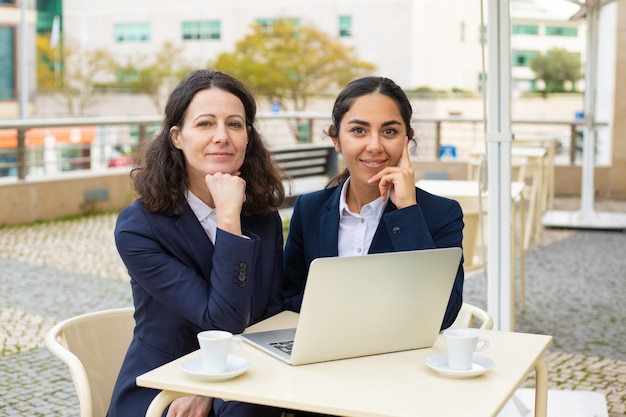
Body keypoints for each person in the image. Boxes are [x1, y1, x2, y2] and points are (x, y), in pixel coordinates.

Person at [107, 69, 286, 417]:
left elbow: (269, 316)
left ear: (248, 136)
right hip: (163, 388)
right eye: (205, 124)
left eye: (235, 124)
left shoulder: (263, 217)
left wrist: (214, 388)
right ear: (177, 136)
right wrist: (228, 220)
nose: (222, 136)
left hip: (247, 379)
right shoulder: (139, 227)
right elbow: (223, 320)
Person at [282, 76, 464, 329]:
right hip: (323, 355)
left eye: (389, 131)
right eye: (359, 130)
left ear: (407, 140)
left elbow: (444, 314)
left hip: (399, 359)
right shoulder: (309, 210)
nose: (375, 146)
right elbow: (287, 298)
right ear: (335, 139)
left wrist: (408, 213)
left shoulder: (441, 214)